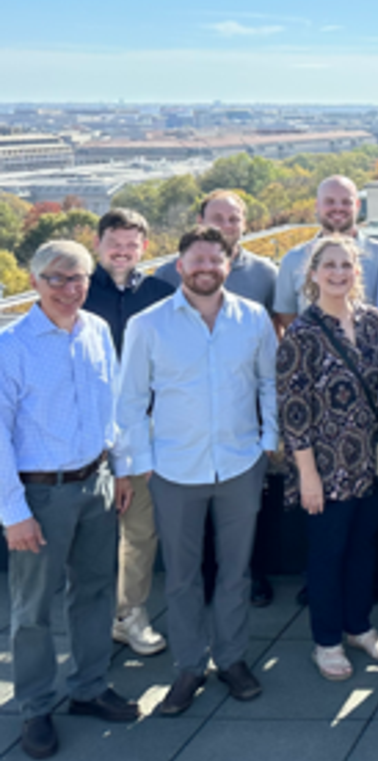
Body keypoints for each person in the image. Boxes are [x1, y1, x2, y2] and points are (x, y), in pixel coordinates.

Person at [116, 225, 278, 716]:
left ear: (227, 265)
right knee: (182, 577)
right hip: (173, 470)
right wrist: (142, 463)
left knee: (235, 572)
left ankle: (231, 659)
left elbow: (269, 383)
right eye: (197, 260)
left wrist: (268, 443)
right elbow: (130, 401)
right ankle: (189, 667)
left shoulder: (253, 318)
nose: (206, 268)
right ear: (180, 265)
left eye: (215, 260)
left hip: (240, 464)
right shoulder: (148, 325)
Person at [1, 241, 140, 759]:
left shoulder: (97, 330)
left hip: (96, 483)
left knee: (96, 592)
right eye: (55, 278)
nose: (67, 288)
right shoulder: (10, 346)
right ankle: (35, 706)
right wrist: (13, 513)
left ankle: (89, 687)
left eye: (77, 277)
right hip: (39, 493)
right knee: (33, 609)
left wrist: (119, 468)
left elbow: (112, 404)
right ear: (34, 281)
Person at [276, 237, 378, 681]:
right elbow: (293, 411)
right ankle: (326, 641)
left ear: (357, 272)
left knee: (363, 549)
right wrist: (307, 474)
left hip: (369, 463)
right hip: (324, 469)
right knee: (327, 555)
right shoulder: (302, 333)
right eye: (329, 265)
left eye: (346, 265)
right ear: (313, 273)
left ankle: (358, 626)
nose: (338, 273)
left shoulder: (374, 323)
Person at [154, 190, 281, 608]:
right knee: (194, 509)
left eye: (234, 219)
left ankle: (252, 575)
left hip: (243, 410)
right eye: (217, 218)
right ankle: (204, 582)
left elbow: (274, 340)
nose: (226, 226)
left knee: (247, 507)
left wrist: (269, 430)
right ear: (200, 221)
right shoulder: (166, 275)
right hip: (186, 416)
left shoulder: (265, 273)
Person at [81, 208, 174, 658]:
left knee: (140, 531)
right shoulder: (77, 293)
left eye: (131, 245)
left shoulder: (162, 295)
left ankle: (129, 614)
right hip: (86, 437)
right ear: (97, 244)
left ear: (144, 248)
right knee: (92, 536)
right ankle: (89, 618)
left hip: (142, 434)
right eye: (114, 243)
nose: (122, 252)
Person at [273, 175, 378, 325]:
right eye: (329, 202)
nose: (338, 208)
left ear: (357, 205)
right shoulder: (293, 260)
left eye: (346, 202)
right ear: (317, 206)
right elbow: (286, 316)